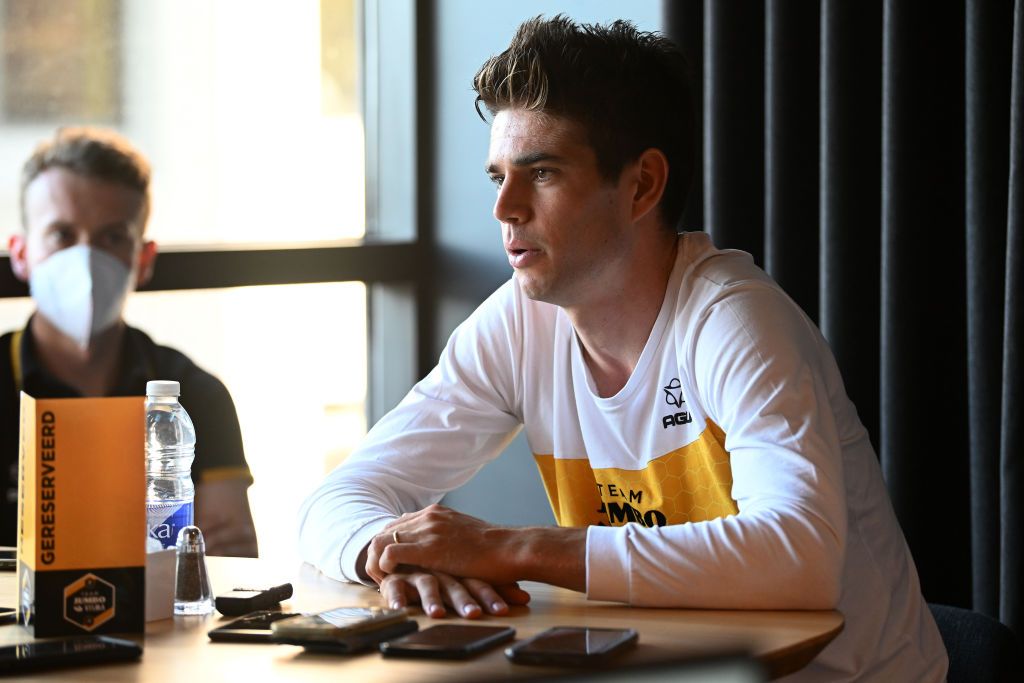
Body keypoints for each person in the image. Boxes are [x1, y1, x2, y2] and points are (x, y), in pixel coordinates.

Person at [298, 16, 947, 681]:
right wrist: (396, 553)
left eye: (541, 172)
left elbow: (797, 556)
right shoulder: (518, 323)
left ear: (642, 185)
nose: (505, 208)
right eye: (497, 177)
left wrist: (508, 548)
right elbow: (337, 498)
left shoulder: (736, 318)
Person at [1, 126, 258, 557]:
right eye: (62, 235)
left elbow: (230, 561)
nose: (85, 261)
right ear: (22, 254)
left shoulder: (195, 395)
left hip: (159, 626)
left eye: (112, 238)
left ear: (144, 259)